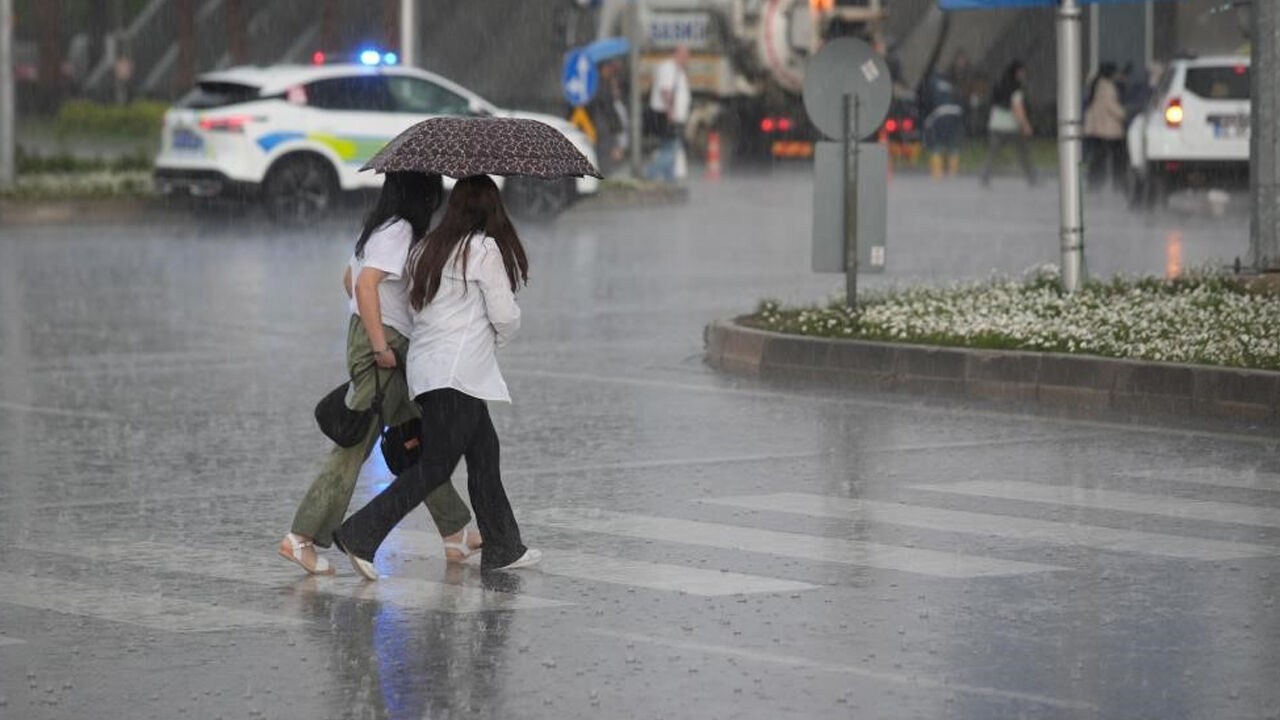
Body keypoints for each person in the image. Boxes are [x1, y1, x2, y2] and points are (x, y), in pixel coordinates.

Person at [334, 175, 540, 577]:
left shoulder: (427, 248)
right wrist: (503, 329)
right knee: (435, 467)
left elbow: (416, 308)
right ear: (491, 210)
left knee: (485, 455)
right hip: (458, 374)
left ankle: (503, 546)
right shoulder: (483, 250)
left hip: (428, 371)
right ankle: (361, 534)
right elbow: (504, 315)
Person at [279, 172, 483, 575]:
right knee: (356, 445)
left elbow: (349, 280)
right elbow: (365, 285)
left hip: (382, 342)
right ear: (421, 196)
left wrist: (373, 322)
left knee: (418, 441)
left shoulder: (379, 226)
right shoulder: (399, 230)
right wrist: (379, 342)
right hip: (383, 351)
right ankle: (300, 536)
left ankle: (455, 531)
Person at [980, 60, 1036, 188]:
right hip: (1011, 126)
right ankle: (1032, 177)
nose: (1023, 74)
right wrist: (1025, 125)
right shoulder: (1016, 87)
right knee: (1023, 153)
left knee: (992, 153)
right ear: (1016, 73)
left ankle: (985, 177)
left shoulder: (999, 84)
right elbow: (1018, 108)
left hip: (995, 124)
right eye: (1021, 72)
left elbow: (993, 102)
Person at [644, 45, 691, 183]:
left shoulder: (678, 70)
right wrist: (671, 113)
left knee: (669, 147)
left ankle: (669, 181)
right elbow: (666, 91)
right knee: (672, 149)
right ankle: (649, 174)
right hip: (665, 115)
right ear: (678, 54)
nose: (687, 59)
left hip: (671, 116)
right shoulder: (668, 68)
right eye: (685, 56)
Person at [1084, 62, 1128, 191]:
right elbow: (1111, 106)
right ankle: (1116, 183)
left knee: (1099, 157)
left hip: (1099, 128)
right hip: (1108, 129)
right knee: (1116, 157)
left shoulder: (1097, 84)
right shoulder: (1107, 86)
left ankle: (1095, 182)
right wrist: (1124, 114)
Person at [922, 61, 966, 180]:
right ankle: (953, 174)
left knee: (935, 145)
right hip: (955, 113)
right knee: (953, 145)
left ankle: (937, 175)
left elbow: (927, 101)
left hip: (939, 115)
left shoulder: (931, 83)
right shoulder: (949, 83)